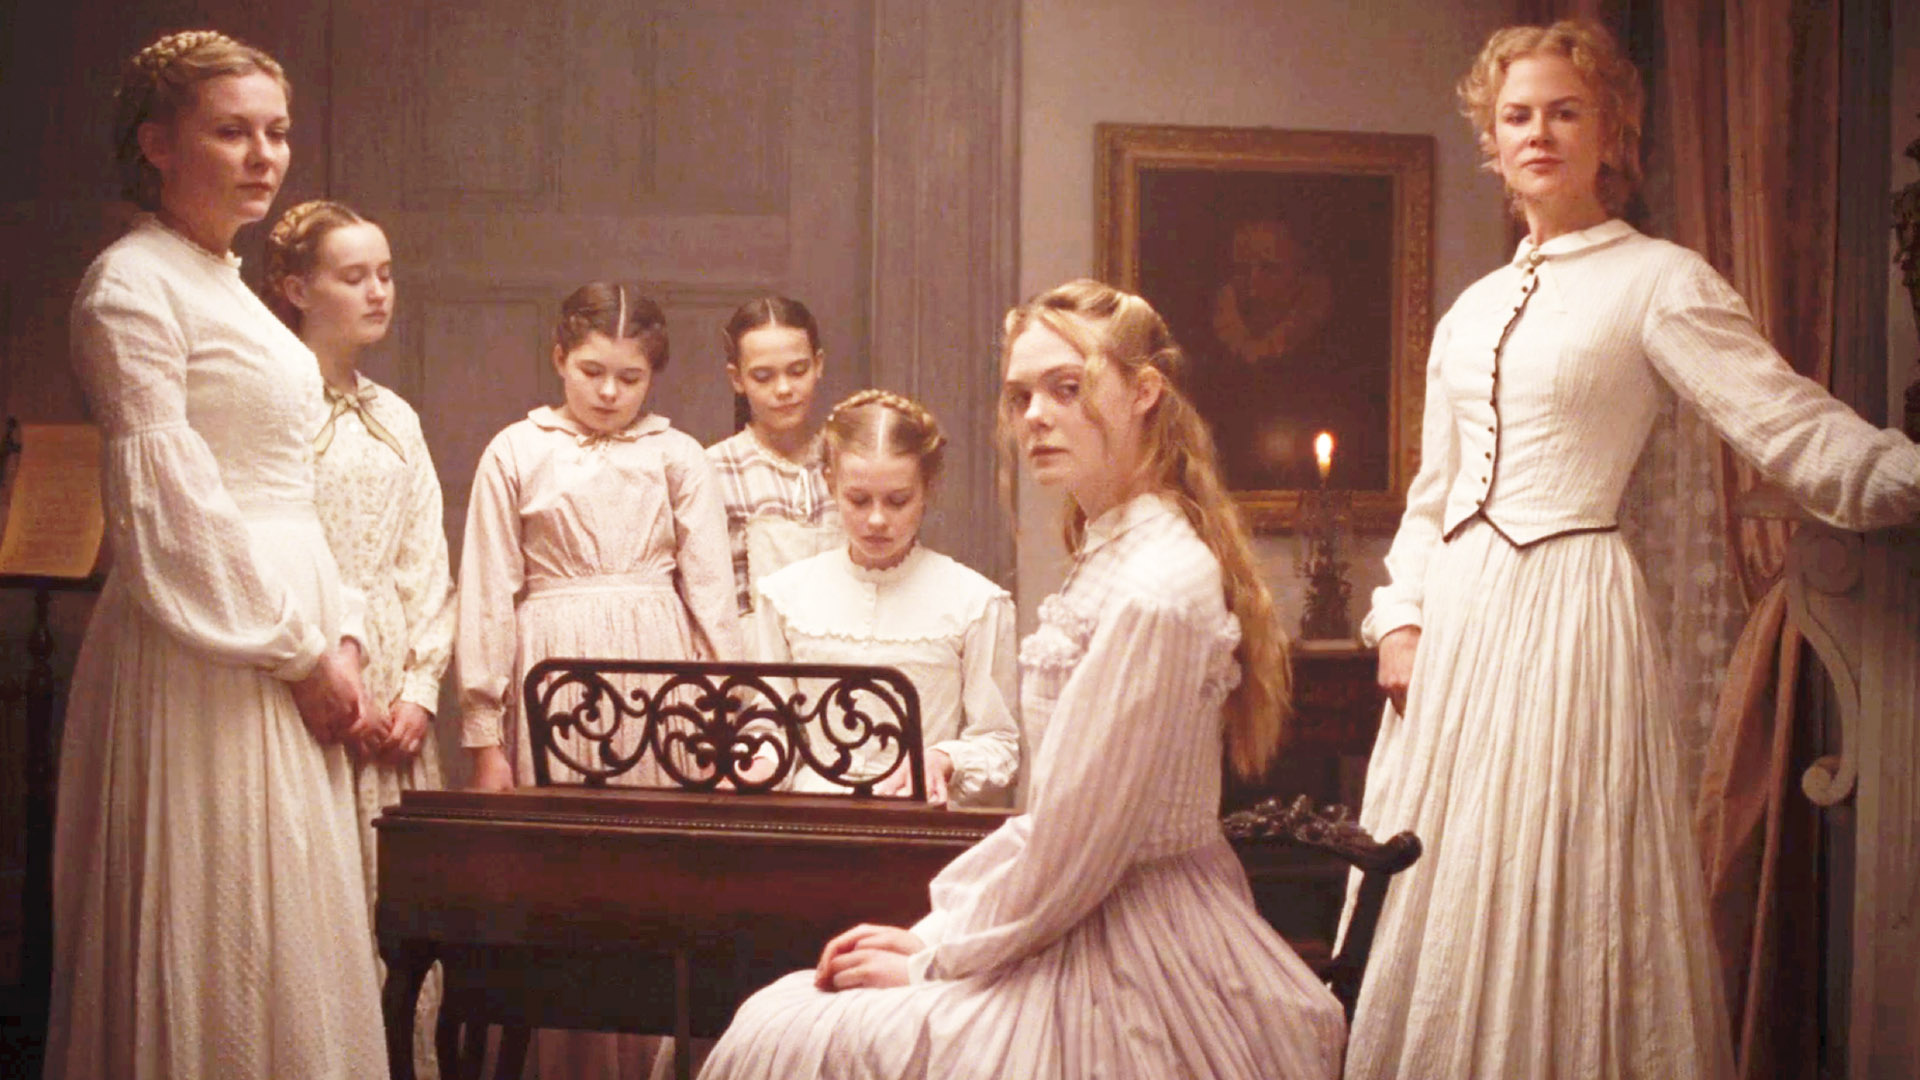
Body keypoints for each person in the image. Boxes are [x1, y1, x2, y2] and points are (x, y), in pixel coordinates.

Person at [1347, 20, 1920, 1080]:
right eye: (1518, 115)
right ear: (1491, 140)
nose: (1539, 133)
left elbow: (1788, 424)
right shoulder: (1470, 310)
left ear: (1611, 132)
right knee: (1442, 886)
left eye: (1566, 112)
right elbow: (1432, 498)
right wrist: (1401, 620)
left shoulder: (1659, 280)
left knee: (1565, 888)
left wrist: (1904, 476)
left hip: (1571, 618)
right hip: (1457, 633)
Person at [700, 280, 1346, 1080]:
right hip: (1079, 910)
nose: (1035, 415)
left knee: (787, 1033)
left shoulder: (1154, 584)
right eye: (1021, 394)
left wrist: (937, 959)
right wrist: (938, 935)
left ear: (1145, 392)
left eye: (1067, 388)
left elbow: (1078, 843)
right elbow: (1057, 829)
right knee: (786, 1014)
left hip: (1133, 944)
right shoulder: (1113, 551)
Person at [48, 30, 389, 1079]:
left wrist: (340, 629)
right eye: (231, 132)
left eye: (276, 132)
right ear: (157, 143)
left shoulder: (228, 283)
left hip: (279, 636)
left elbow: (296, 486)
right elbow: (172, 508)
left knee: (290, 920)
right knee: (222, 911)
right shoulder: (131, 287)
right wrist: (297, 651)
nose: (263, 155)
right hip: (204, 645)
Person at [263, 198, 456, 1079]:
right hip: (311, 680)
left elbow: (426, 560)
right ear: (296, 289)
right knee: (319, 906)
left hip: (395, 695)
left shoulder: (397, 417)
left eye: (385, 273)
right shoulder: (273, 413)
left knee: (400, 914)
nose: (379, 292)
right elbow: (267, 549)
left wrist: (417, 691)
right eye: (353, 276)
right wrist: (339, 682)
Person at [458, 282, 742, 792]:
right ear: (560, 359)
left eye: (630, 378)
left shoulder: (678, 455)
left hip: (658, 664)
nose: (609, 392)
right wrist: (485, 740)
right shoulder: (516, 451)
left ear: (651, 376)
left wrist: (719, 719)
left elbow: (712, 595)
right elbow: (487, 594)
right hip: (553, 661)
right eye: (591, 372)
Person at [753, 389, 1019, 807]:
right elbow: (772, 729)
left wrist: (942, 759)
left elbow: (998, 743)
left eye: (898, 500)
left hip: (915, 820)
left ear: (928, 487)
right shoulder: (785, 596)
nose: (877, 519)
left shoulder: (974, 602)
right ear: (830, 483)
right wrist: (754, 768)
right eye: (858, 500)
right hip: (812, 820)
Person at [705, 297, 843, 621]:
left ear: (818, 364)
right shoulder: (713, 470)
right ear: (737, 379)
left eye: (797, 371)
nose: (783, 389)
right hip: (752, 648)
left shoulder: (847, 461)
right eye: (763, 376)